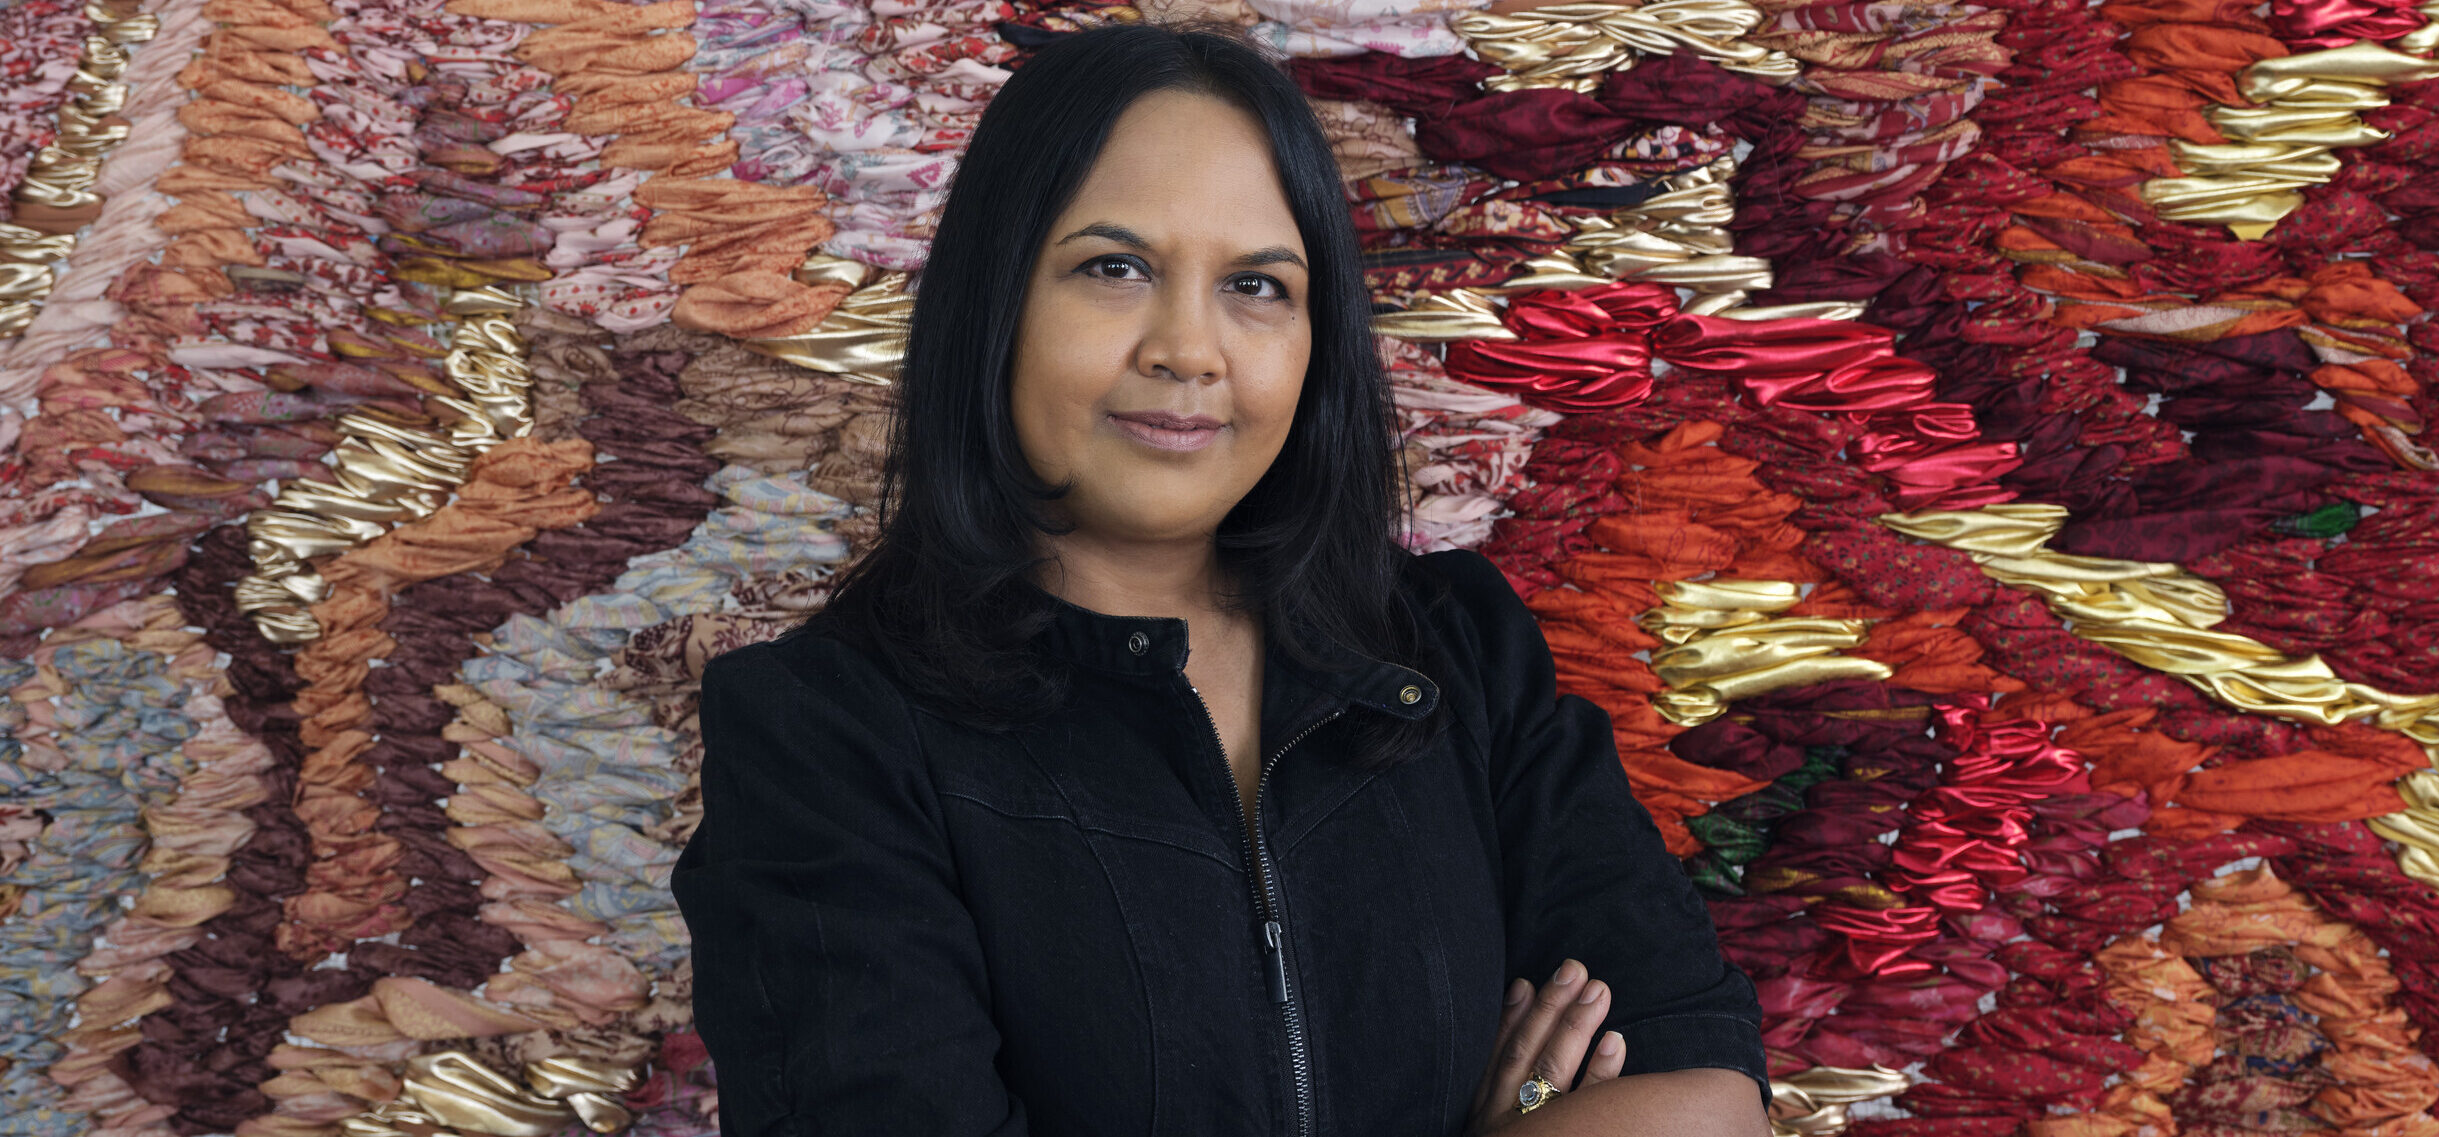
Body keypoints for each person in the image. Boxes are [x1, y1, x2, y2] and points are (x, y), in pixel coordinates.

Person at [669, 20, 1770, 1137]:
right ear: (993, 303)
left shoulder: (1454, 650)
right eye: (1114, 268)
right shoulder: (822, 733)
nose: (1189, 349)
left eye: (1256, 285)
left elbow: (1700, 1095)